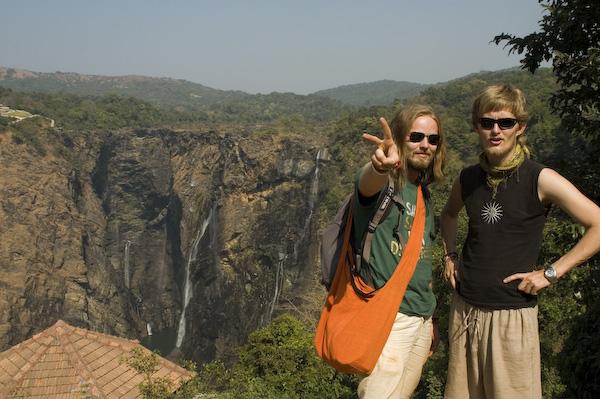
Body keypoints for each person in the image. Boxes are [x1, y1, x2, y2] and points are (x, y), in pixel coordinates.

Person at [441, 84, 600, 398]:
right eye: (487, 123)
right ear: (476, 126)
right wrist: (449, 254)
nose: (496, 130)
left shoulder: (539, 179)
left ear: (521, 127)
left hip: (511, 317)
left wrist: (551, 273)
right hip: (464, 313)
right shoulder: (468, 178)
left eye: (505, 123)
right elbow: (448, 215)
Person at [355, 104, 445, 398]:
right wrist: (380, 166)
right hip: (390, 317)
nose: (425, 144)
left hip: (420, 320)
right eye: (416, 136)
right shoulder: (385, 185)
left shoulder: (422, 193)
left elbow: (422, 260)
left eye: (433, 139)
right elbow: (367, 183)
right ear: (398, 138)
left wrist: (429, 318)